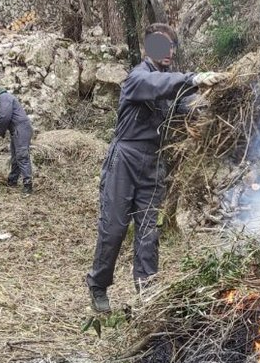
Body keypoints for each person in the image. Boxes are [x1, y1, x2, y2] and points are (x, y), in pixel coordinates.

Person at [85, 23, 227, 314]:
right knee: (114, 228)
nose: (168, 51)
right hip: (124, 159)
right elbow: (161, 86)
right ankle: (98, 285)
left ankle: (147, 293)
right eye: (162, 45)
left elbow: (186, 105)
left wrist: (215, 99)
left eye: (172, 47)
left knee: (148, 231)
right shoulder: (138, 78)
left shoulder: (168, 85)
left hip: (153, 162)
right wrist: (195, 78)